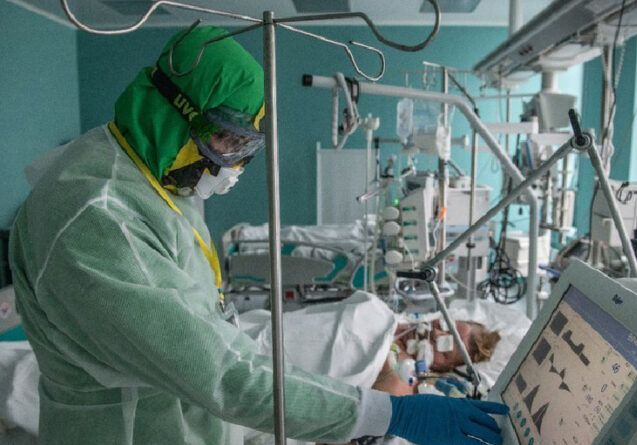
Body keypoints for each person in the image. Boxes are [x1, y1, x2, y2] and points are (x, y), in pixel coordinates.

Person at [9, 26, 508, 445]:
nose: (234, 165)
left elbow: (204, 334)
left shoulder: (155, 176)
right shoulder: (96, 218)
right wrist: (393, 415)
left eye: (246, 148)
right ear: (172, 110)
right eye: (227, 141)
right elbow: (220, 372)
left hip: (189, 413)